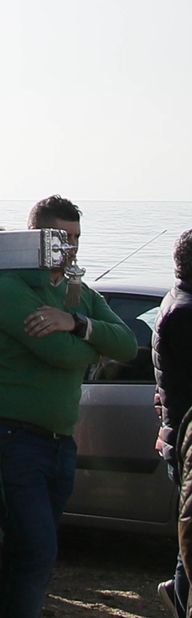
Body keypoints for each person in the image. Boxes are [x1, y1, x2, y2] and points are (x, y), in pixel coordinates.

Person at [0, 195, 137, 618]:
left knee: (27, 558)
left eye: (77, 237)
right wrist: (94, 347)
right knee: (36, 551)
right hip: (9, 439)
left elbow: (129, 344)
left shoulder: (79, 294)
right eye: (62, 237)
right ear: (38, 237)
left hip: (59, 444)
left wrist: (79, 324)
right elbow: (62, 354)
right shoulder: (11, 288)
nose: (71, 246)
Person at [155, 229, 192, 616]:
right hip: (187, 437)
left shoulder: (177, 300)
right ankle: (181, 598)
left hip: (178, 433)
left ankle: (179, 593)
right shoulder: (184, 313)